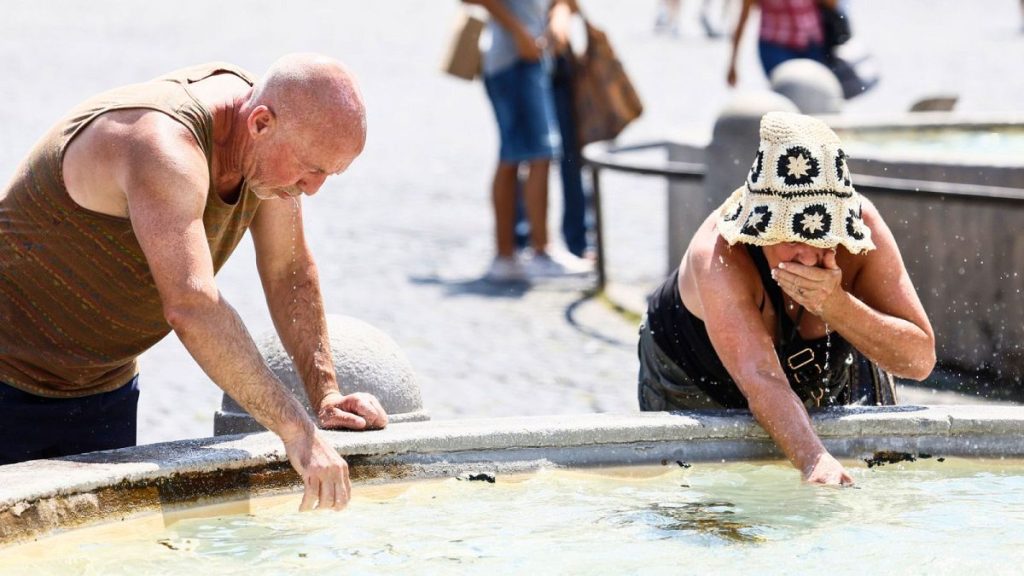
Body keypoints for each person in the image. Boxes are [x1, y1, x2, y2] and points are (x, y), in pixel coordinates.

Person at [0, 54, 388, 511]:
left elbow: (289, 270)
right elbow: (192, 304)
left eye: (330, 174)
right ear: (260, 122)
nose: (313, 188)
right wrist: (296, 431)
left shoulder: (268, 149)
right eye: (312, 169)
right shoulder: (163, 144)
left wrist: (326, 396)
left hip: (102, 383)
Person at [637, 112, 935, 485]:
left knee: (875, 493)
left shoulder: (863, 232)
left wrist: (836, 305)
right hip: (694, 377)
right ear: (760, 227)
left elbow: (920, 360)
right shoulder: (720, 252)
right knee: (714, 516)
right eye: (791, 236)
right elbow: (761, 377)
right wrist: (814, 460)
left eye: (819, 235)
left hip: (819, 371)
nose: (806, 256)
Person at [466, 0, 594, 282]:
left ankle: (510, 255)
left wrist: (557, 18)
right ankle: (536, 251)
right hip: (514, 60)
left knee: (518, 156)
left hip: (524, 59)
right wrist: (519, 32)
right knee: (536, 154)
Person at [726, 0, 832, 86]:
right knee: (788, 92)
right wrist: (733, 63)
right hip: (776, 48)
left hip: (812, 45)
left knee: (815, 93)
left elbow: (831, 5)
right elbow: (743, 19)